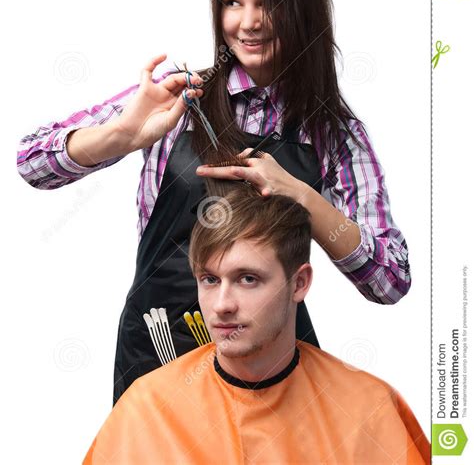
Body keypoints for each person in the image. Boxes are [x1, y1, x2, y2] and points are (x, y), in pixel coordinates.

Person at [17, 0, 412, 404]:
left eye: (268, 3)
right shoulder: (178, 96)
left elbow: (390, 281)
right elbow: (32, 162)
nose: (248, 22)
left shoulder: (335, 134)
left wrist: (304, 199)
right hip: (158, 350)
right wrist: (121, 135)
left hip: (274, 365)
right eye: (232, 2)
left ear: (303, 11)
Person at [83, 186, 429, 465]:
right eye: (209, 280)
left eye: (248, 279)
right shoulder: (146, 410)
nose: (222, 305)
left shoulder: (369, 409)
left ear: (299, 284)